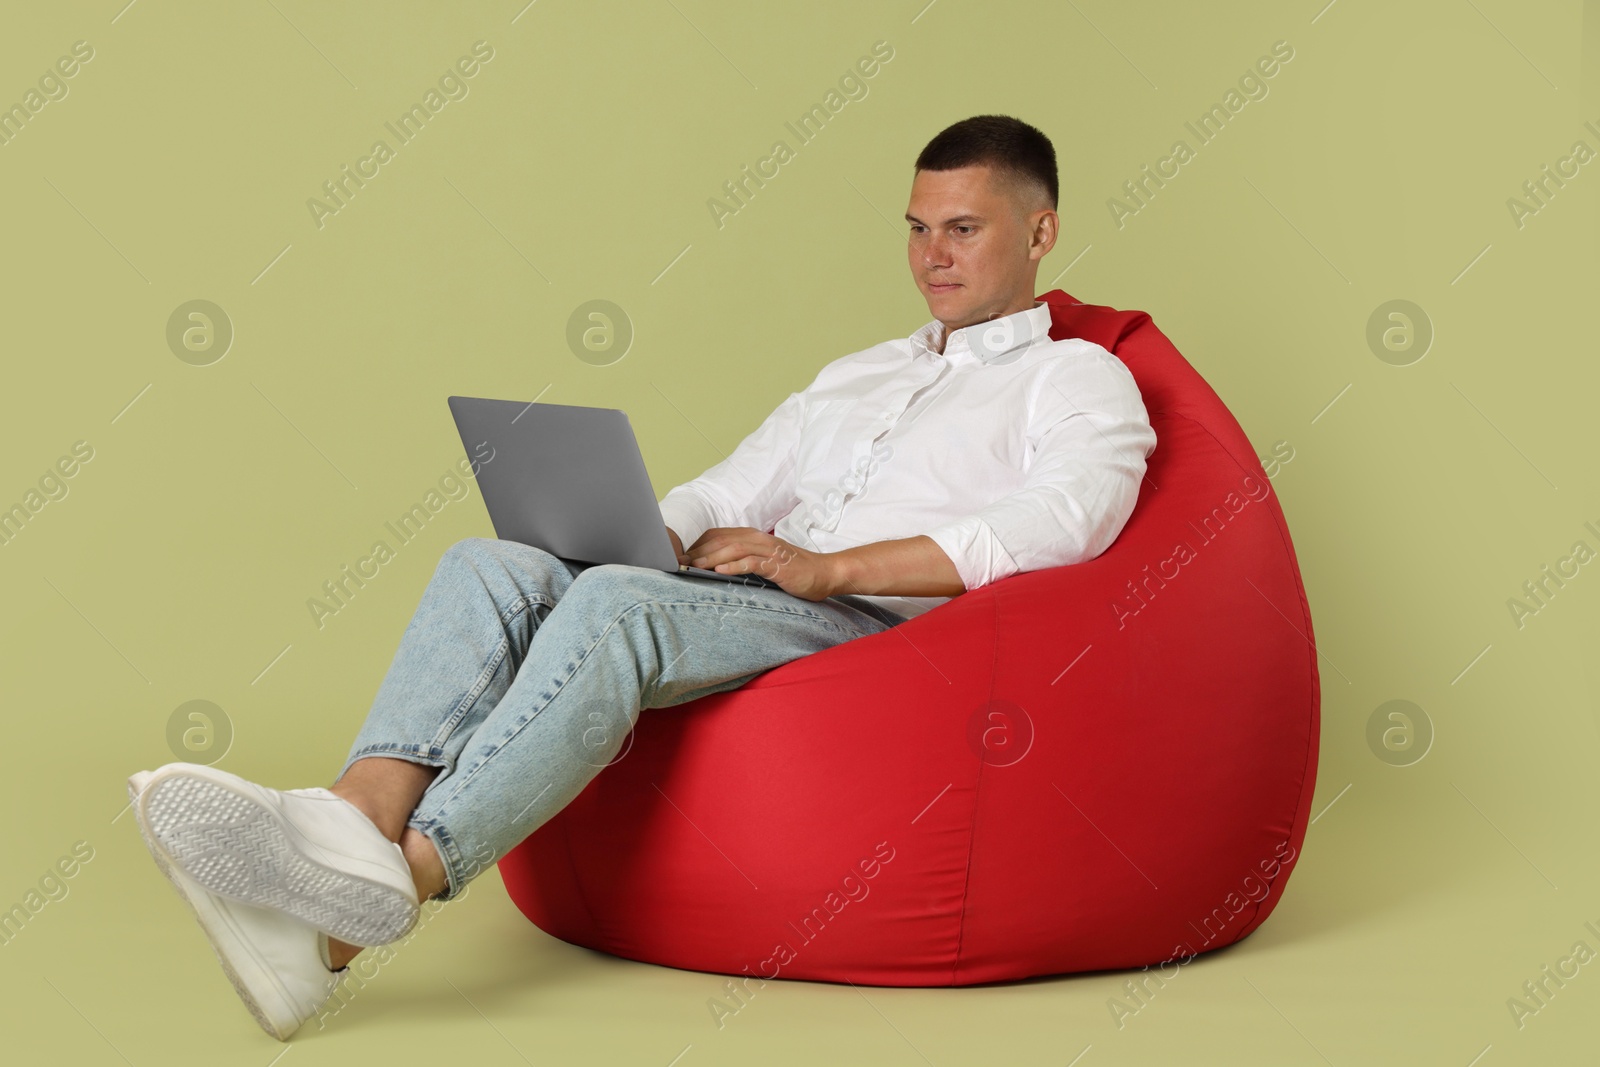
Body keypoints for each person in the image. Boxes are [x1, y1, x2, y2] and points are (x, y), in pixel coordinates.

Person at [127, 113, 1157, 1040]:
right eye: (917, 227)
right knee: (495, 563)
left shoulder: (1078, 378)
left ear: (1039, 231)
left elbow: (1060, 523)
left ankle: (403, 874)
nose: (932, 256)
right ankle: (345, 843)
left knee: (612, 607)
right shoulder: (862, 371)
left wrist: (826, 563)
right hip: (747, 595)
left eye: (963, 229)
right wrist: (640, 529)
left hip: (865, 625)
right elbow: (734, 483)